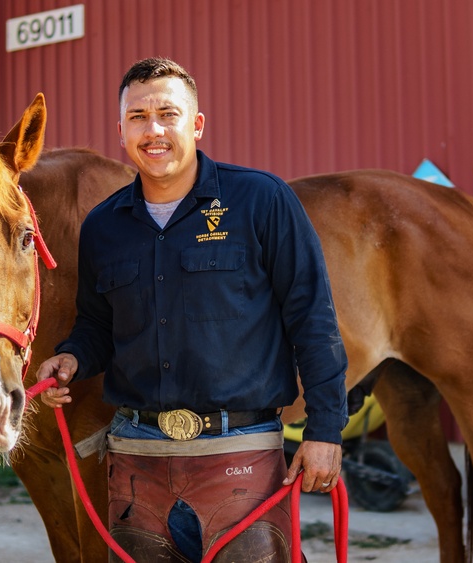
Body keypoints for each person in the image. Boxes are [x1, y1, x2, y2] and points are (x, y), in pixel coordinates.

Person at [36, 57, 348, 562]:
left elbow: (312, 317)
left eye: (168, 113)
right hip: (138, 461)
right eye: (138, 117)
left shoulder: (261, 200)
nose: (153, 129)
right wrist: (72, 357)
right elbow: (97, 325)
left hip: (240, 454)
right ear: (120, 132)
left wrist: (325, 431)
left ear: (196, 124)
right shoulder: (103, 226)